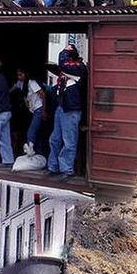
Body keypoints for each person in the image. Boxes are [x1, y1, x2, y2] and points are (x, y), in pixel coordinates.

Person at [46, 47, 87, 178]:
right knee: (55, 139)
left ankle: (67, 169)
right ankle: (54, 166)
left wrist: (64, 52)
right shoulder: (71, 70)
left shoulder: (79, 68)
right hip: (63, 107)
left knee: (68, 141)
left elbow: (62, 64)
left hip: (71, 109)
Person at [11, 68, 46, 154]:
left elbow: (43, 95)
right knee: (37, 133)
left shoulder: (32, 82)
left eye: (21, 75)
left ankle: (30, 153)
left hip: (38, 109)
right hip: (32, 111)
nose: (19, 77)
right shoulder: (21, 83)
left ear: (25, 74)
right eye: (18, 75)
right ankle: (38, 153)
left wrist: (44, 110)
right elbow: (12, 89)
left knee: (31, 133)